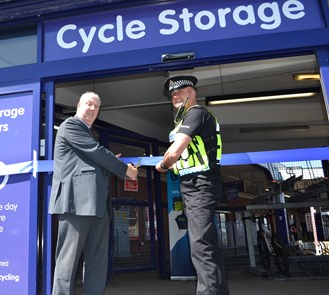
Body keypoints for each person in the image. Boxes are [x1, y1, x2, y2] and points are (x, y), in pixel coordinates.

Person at [48, 91, 138, 295]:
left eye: (96, 106)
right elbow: (96, 152)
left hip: (98, 206)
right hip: (75, 205)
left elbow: (92, 158)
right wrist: (125, 170)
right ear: (78, 105)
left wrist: (107, 164)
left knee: (97, 263)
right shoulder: (71, 125)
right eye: (88, 104)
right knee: (67, 263)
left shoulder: (90, 133)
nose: (91, 109)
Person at [155, 76, 229, 295]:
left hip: (201, 184)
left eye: (181, 91)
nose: (176, 97)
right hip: (194, 186)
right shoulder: (186, 119)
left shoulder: (196, 114)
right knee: (207, 246)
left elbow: (175, 152)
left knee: (201, 247)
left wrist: (164, 163)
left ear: (193, 92)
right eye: (173, 95)